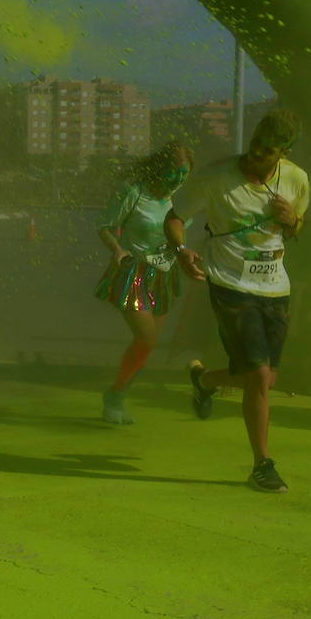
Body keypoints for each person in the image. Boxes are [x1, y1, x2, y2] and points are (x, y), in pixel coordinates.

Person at [164, 109, 309, 493]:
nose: (256, 156)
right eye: (255, 146)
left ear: (284, 153)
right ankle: (262, 465)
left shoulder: (296, 180)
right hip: (230, 283)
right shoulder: (216, 177)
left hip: (276, 287)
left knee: (261, 379)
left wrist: (291, 219)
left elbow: (296, 230)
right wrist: (181, 251)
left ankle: (204, 380)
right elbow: (174, 218)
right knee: (259, 376)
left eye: (267, 151)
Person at [93, 140, 194, 424]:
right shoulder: (134, 193)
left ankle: (119, 394)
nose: (178, 180)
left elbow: (179, 236)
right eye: (174, 172)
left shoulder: (180, 202)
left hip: (163, 275)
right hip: (134, 271)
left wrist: (185, 255)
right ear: (159, 169)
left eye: (184, 174)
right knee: (146, 337)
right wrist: (117, 250)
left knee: (148, 345)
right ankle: (114, 395)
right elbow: (103, 225)